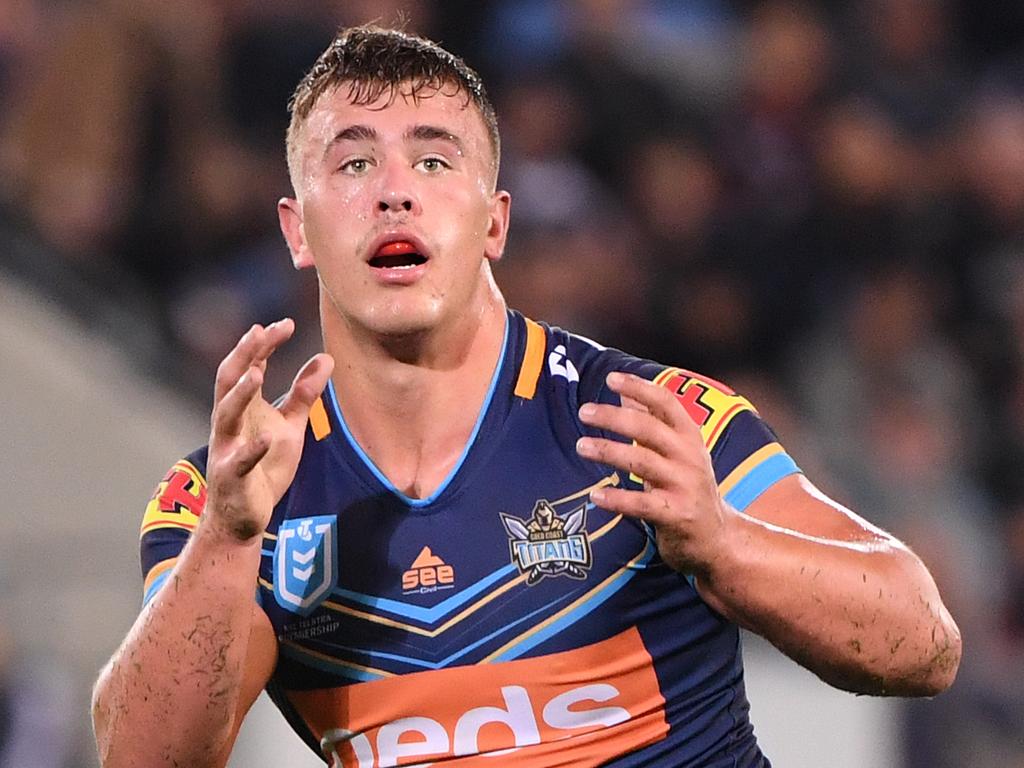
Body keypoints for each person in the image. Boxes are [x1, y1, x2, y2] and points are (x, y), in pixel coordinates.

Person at [90, 25, 961, 768]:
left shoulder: (644, 419)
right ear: (297, 229)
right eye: (353, 161)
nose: (394, 189)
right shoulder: (234, 494)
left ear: (496, 221)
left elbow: (923, 639)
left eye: (435, 158)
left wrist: (724, 546)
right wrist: (229, 538)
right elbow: (142, 755)